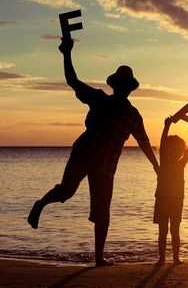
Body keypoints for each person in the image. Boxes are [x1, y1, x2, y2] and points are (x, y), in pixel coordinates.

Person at [27, 38, 159, 267]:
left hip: (106, 165)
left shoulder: (133, 115)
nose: (122, 88)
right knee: (66, 192)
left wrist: (157, 167)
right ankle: (40, 204)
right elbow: (73, 81)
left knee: (102, 211)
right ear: (115, 85)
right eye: (120, 83)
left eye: (126, 85)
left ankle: (98, 258)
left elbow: (145, 142)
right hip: (84, 152)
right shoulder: (99, 98)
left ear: (129, 88)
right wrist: (66, 53)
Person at [154, 117, 188, 266]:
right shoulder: (164, 161)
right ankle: (161, 258)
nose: (177, 152)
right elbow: (162, 141)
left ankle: (175, 258)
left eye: (179, 150)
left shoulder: (181, 164)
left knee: (175, 230)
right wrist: (166, 126)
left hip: (176, 201)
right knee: (162, 231)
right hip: (162, 199)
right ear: (167, 150)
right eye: (173, 149)